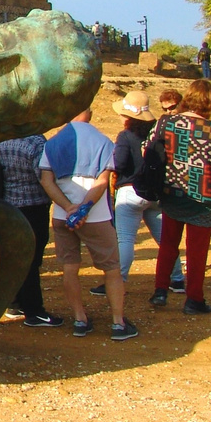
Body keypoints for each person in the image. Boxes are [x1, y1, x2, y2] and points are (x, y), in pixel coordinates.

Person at [39, 110, 138, 340]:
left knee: (70, 267)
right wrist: (84, 208)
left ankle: (80, 319)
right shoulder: (103, 141)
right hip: (97, 216)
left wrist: (69, 207)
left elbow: (46, 181)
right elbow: (103, 181)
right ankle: (117, 323)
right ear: (90, 113)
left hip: (63, 216)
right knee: (112, 268)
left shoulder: (53, 142)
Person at [150, 79, 211, 314]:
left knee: (168, 244)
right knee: (197, 251)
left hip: (173, 193)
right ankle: (194, 299)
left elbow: (147, 148)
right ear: (210, 101)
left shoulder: (167, 123)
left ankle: (160, 290)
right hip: (204, 198)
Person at [0, 132, 62, 327]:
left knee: (14, 257)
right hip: (34, 206)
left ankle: (14, 303)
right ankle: (34, 311)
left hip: (9, 207)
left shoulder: (1, 141)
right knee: (33, 259)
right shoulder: (36, 143)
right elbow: (44, 176)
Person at [109, 90, 177, 292]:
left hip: (130, 191)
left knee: (126, 239)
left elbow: (119, 163)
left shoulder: (126, 136)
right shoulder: (157, 133)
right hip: (154, 192)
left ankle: (118, 279)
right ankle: (178, 277)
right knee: (165, 239)